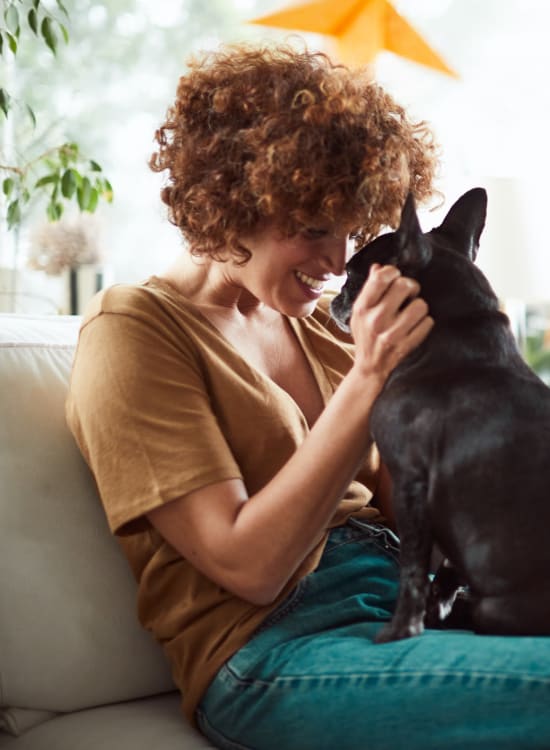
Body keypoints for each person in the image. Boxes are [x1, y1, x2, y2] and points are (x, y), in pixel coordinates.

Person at [66, 43, 550, 750]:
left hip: (407, 604)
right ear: (233, 197)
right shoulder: (133, 335)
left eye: (352, 228)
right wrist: (371, 378)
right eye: (314, 227)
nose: (336, 260)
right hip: (274, 652)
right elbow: (249, 569)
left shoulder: (319, 332)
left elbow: (411, 503)